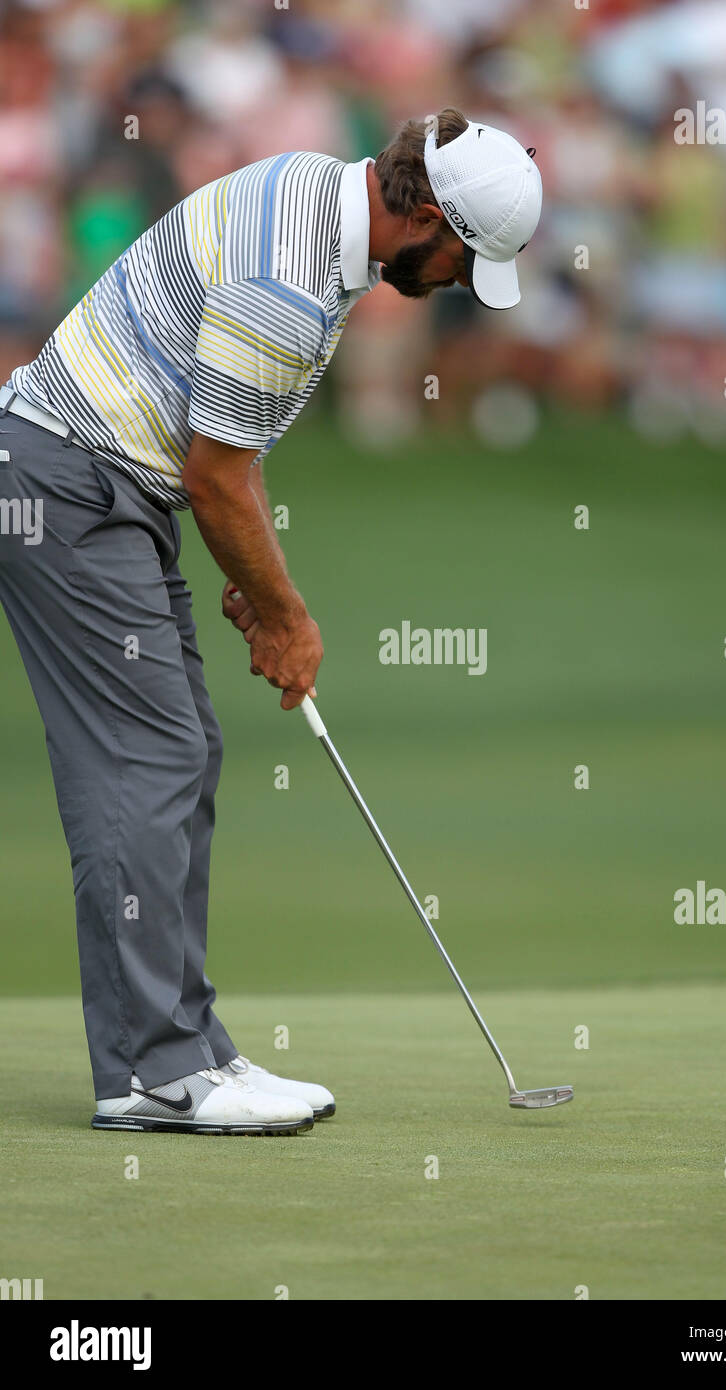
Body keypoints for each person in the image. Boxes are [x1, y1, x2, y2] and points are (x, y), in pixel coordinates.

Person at [0, 108, 542, 1136]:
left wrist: (252, 575)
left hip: (104, 482)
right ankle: (153, 1071)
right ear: (422, 210)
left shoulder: (313, 198)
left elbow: (225, 443)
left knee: (181, 749)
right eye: (464, 260)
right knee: (147, 759)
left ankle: (183, 1046)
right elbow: (215, 477)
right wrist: (286, 618)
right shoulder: (290, 279)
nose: (461, 284)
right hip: (66, 486)